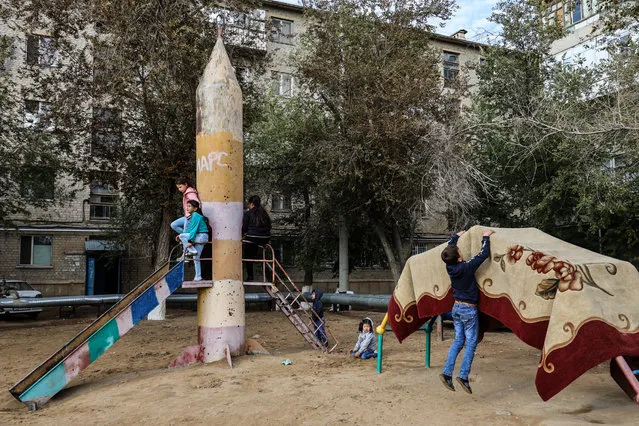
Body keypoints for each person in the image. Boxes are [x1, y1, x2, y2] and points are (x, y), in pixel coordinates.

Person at [439, 228, 494, 394]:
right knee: (470, 343)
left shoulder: (450, 267)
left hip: (456, 308)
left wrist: (456, 237)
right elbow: (483, 254)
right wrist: (486, 237)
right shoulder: (467, 267)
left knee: (458, 341)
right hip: (468, 310)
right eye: (459, 250)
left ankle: (447, 373)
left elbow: (449, 250)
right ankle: (463, 376)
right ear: (460, 257)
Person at [177, 200, 210, 281]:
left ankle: (189, 252)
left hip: (202, 236)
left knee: (183, 235)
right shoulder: (193, 216)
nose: (187, 208)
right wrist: (182, 236)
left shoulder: (196, 215)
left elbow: (194, 230)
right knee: (196, 258)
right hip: (202, 237)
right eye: (187, 206)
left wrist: (190, 241)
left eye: (189, 206)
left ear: (195, 209)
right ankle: (198, 277)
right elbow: (190, 229)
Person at [242, 195, 271, 281]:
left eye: (249, 204)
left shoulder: (248, 213)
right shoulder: (264, 213)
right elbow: (269, 226)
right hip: (265, 238)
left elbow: (244, 229)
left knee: (248, 255)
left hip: (252, 238)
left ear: (251, 204)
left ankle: (250, 276)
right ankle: (267, 276)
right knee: (263, 255)